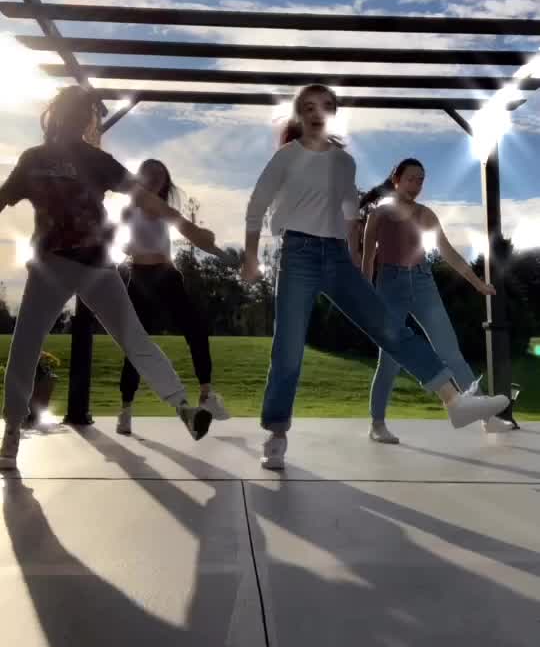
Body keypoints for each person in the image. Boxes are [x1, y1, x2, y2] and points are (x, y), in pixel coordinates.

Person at [241, 83, 508, 471]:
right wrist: (251, 256)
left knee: (392, 329)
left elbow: (351, 214)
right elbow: (256, 205)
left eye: (326, 106)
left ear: (333, 114)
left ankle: (455, 402)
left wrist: (354, 259)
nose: (317, 113)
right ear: (299, 114)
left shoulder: (343, 162)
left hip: (336, 257)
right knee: (288, 348)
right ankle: (277, 434)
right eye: (309, 107)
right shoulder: (287, 156)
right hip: (297, 256)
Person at [0, 86, 219, 470]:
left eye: (84, 113)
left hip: (94, 268)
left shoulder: (91, 159)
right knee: (29, 344)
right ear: (66, 115)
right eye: (80, 111)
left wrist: (187, 226)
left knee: (129, 339)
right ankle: (12, 432)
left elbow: (145, 198)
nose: (82, 118)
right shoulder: (38, 159)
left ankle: (183, 408)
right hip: (56, 267)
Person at [361, 158, 512, 444]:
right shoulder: (378, 215)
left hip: (423, 284)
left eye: (421, 180)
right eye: (411, 179)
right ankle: (377, 424)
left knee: (451, 352)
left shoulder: (426, 214)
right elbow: (368, 259)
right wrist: (365, 297)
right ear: (396, 180)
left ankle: (486, 418)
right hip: (389, 286)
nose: (416, 185)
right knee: (389, 360)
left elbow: (448, 253)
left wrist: (478, 284)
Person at [115, 158, 230, 436]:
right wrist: (127, 246)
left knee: (196, 330)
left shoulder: (164, 209)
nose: (156, 177)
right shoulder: (130, 209)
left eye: (161, 174)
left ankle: (206, 395)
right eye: (150, 173)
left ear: (165, 181)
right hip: (139, 279)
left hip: (167, 276)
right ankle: (126, 409)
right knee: (136, 345)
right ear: (141, 177)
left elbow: (189, 233)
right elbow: (123, 240)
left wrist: (222, 254)